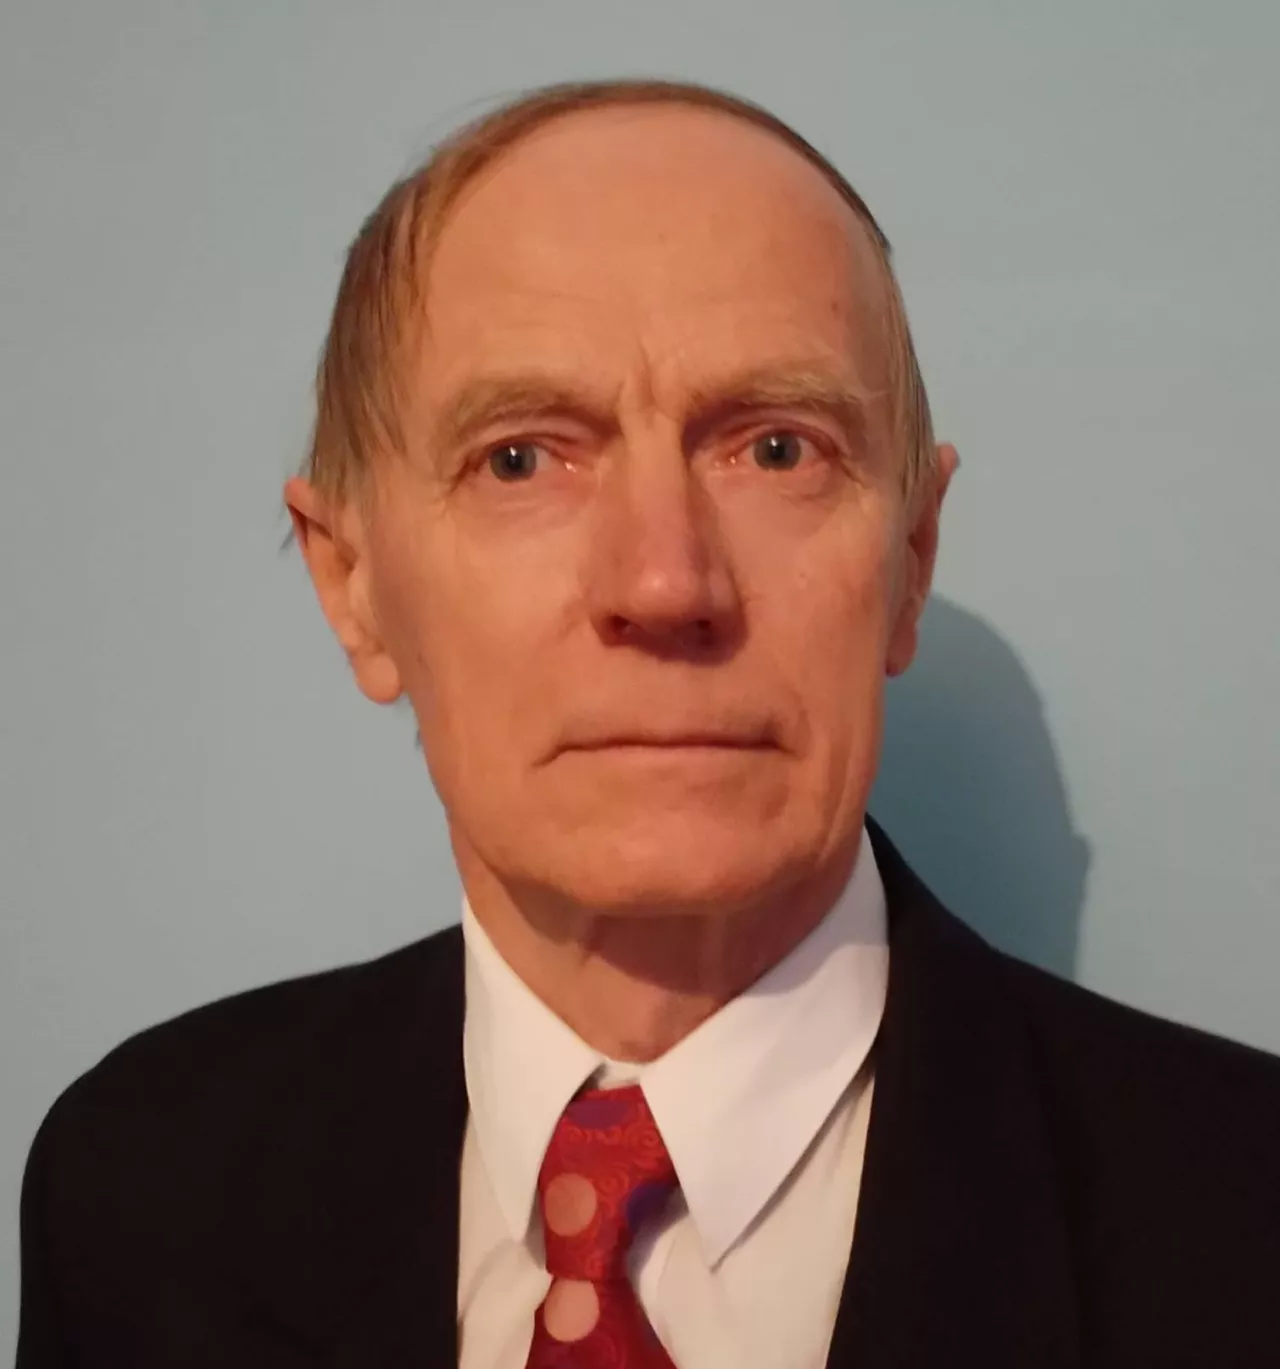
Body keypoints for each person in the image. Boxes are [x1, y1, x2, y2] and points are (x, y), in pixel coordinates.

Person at [16, 77, 1280, 1369]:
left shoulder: (1246, 1223)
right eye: (520, 458)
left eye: (778, 449)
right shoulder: (137, 1192)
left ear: (910, 561)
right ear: (353, 587)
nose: (667, 583)